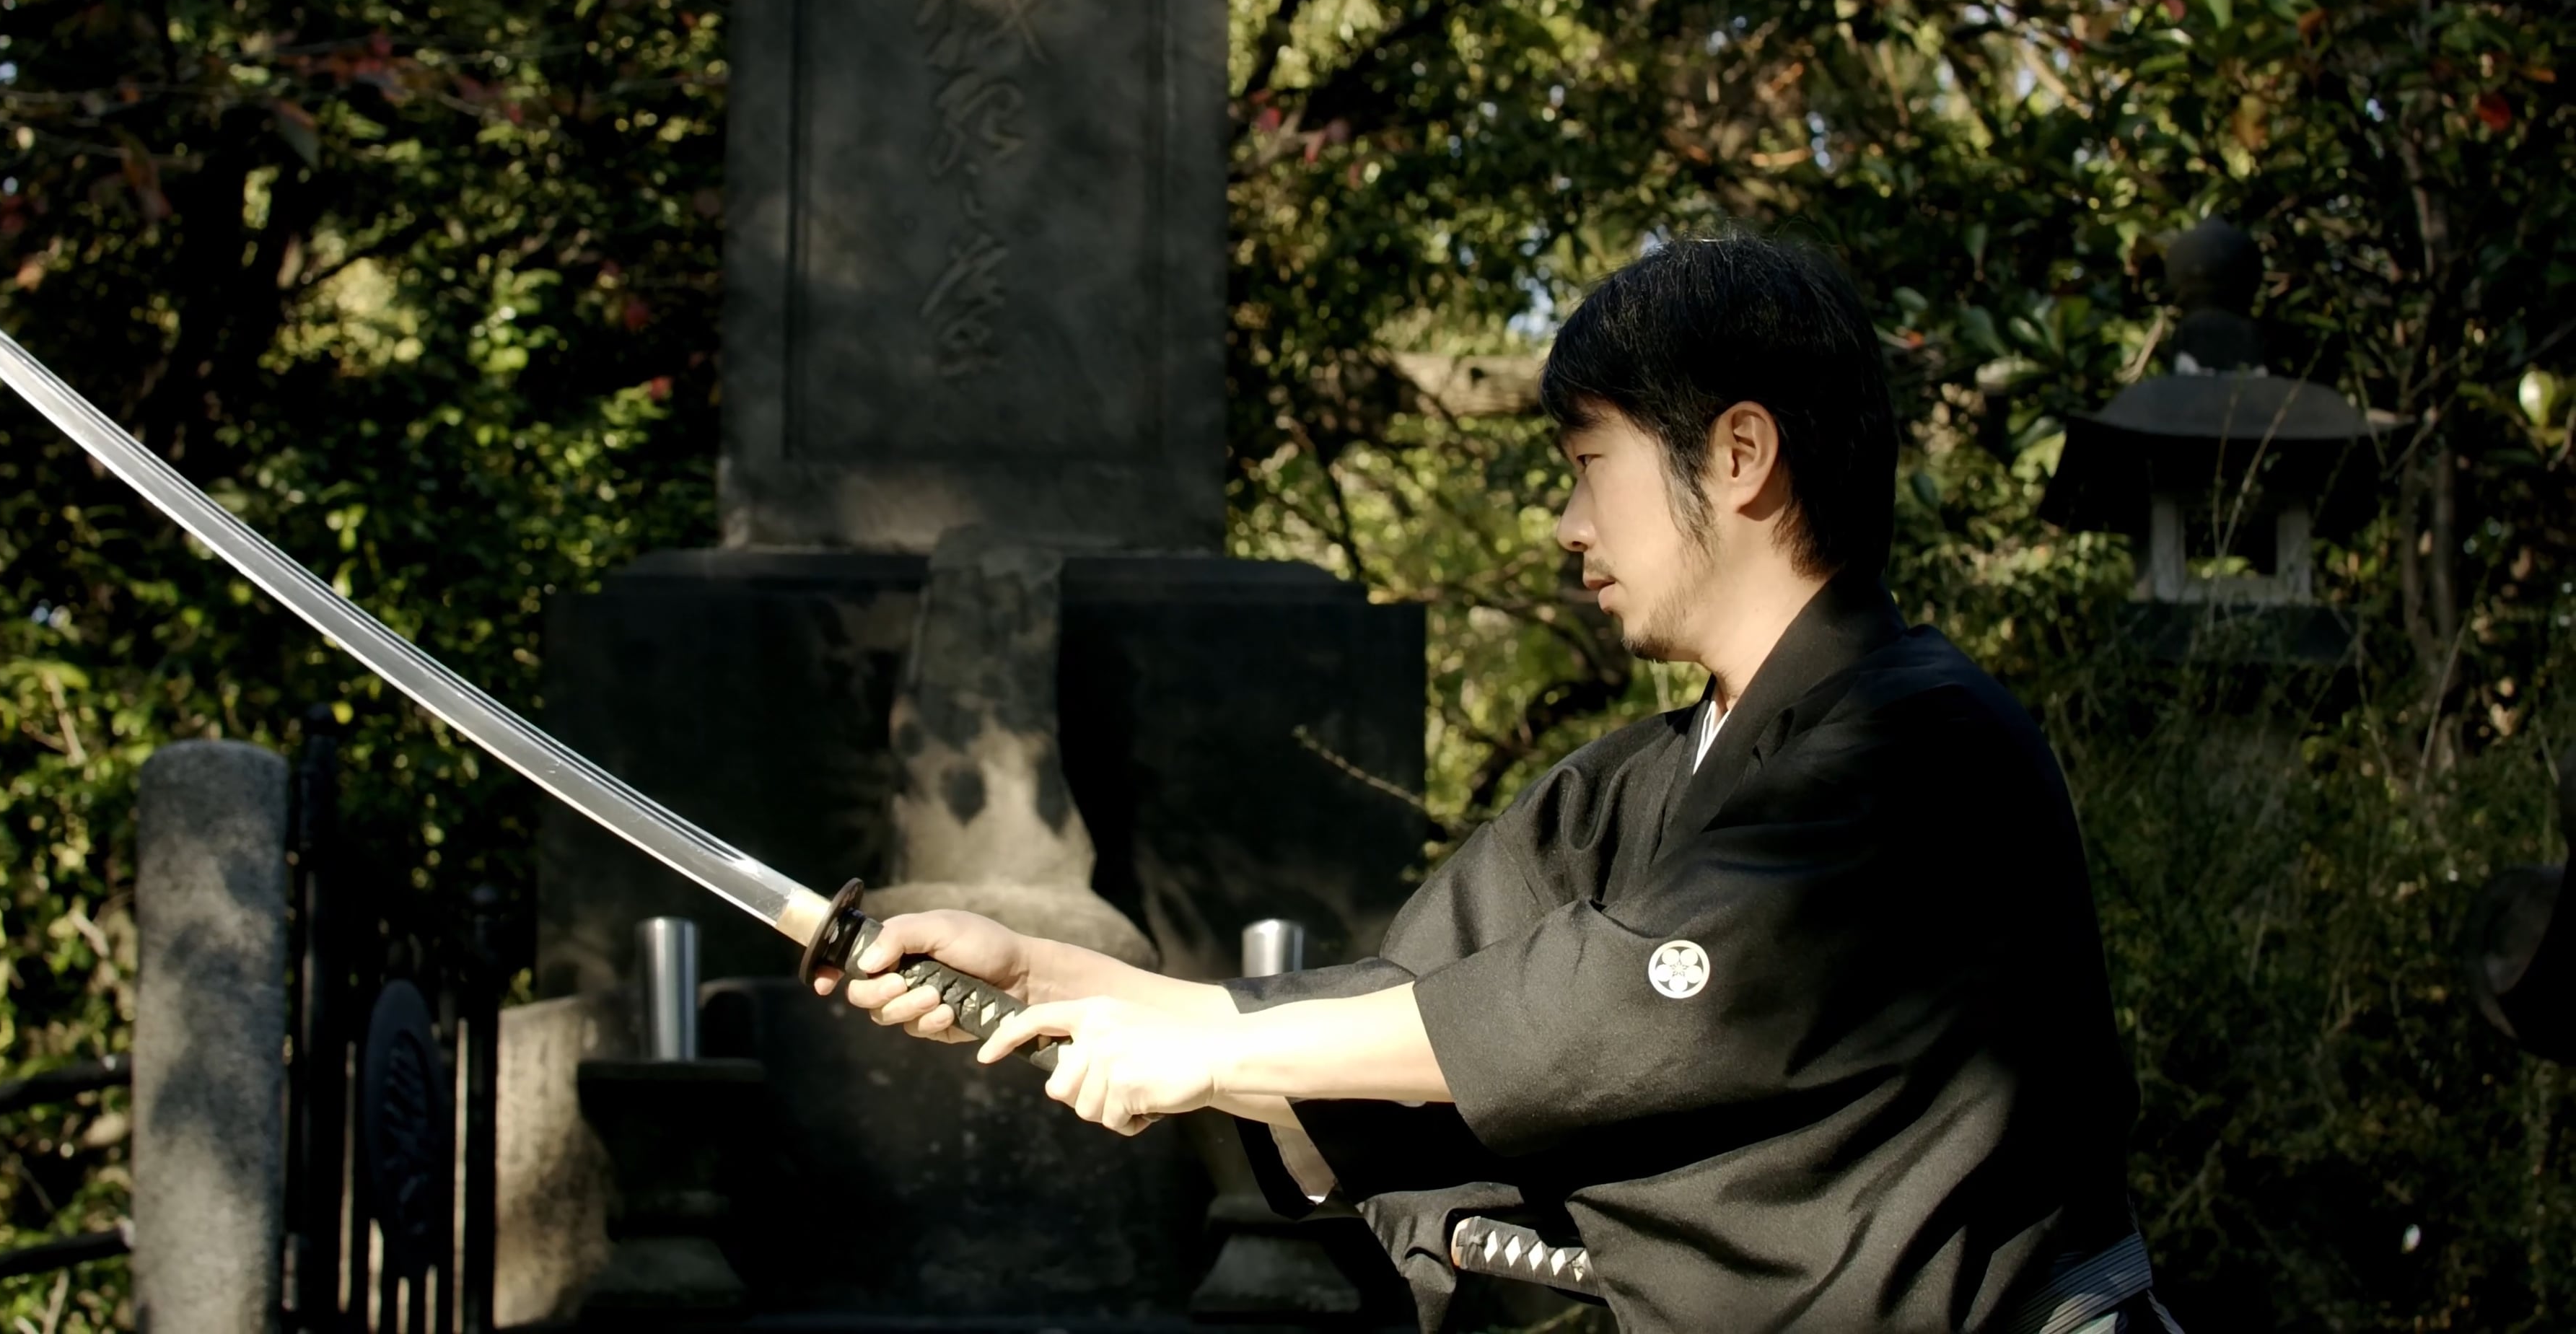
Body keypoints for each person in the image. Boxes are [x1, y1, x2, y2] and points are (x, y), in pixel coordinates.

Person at [817, 231, 2174, 1333]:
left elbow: (1613, 1005)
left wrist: (1208, 1051)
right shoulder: (1628, 788)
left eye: (1592, 470)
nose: (1571, 524)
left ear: (1742, 457)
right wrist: (1052, 981)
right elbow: (1407, 1014)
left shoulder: (1925, 746)